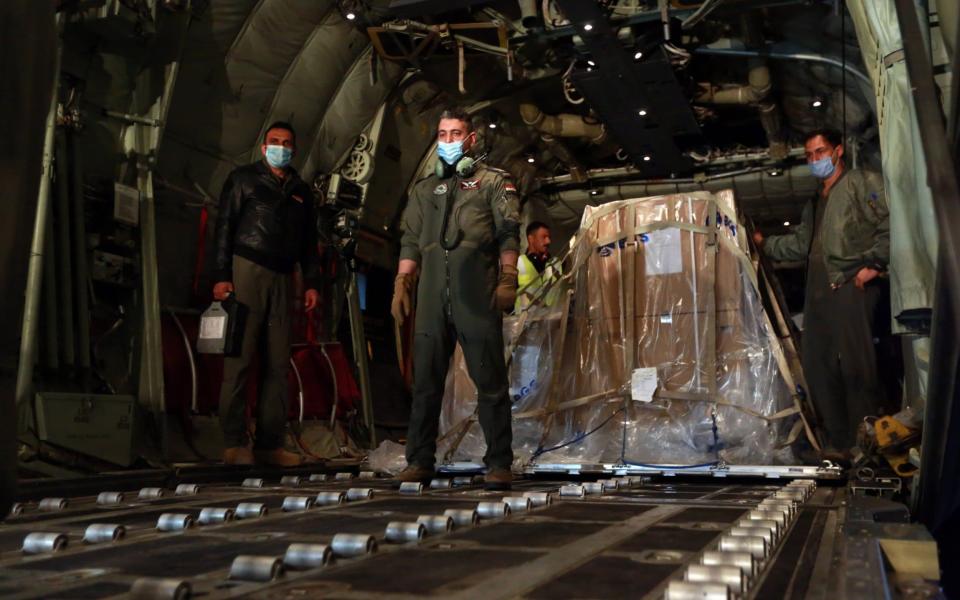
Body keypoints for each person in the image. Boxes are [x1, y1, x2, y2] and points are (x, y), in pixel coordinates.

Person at [391, 107, 521, 489]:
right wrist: (402, 282)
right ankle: (419, 461)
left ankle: (498, 463)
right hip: (432, 297)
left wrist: (508, 275)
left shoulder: (494, 183)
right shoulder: (424, 190)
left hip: (475, 295)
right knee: (426, 383)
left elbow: (509, 232)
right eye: (442, 134)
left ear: (471, 140)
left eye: (455, 134)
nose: (448, 141)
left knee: (490, 382)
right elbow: (411, 240)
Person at [754, 128, 889, 454]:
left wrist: (875, 263)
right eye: (810, 155)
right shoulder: (815, 202)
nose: (816, 159)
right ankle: (838, 446)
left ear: (838, 151)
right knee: (818, 367)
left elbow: (890, 220)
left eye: (821, 152)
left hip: (849, 284)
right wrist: (764, 244)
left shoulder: (860, 183)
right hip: (818, 294)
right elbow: (801, 245)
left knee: (857, 368)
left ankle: (867, 444)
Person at [213, 121, 321, 466]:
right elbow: (225, 226)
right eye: (274, 142)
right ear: (263, 147)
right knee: (240, 359)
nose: (281, 147)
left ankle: (269, 443)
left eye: (287, 143)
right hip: (246, 270)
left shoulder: (301, 192)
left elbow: (308, 243)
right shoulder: (243, 179)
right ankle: (233, 442)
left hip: (283, 277)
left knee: (278, 363)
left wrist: (312, 282)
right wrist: (220, 276)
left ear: (294, 150)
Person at [515, 221, 562, 312]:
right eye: (544, 237)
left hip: (551, 321)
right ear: (531, 239)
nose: (548, 241)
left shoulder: (557, 263)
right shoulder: (518, 263)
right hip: (523, 322)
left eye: (549, 237)